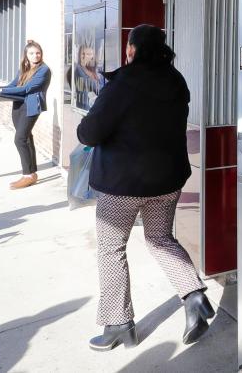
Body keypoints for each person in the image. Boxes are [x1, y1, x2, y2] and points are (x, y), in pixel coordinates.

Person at [77, 25, 214, 351]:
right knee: (160, 238)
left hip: (122, 186)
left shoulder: (121, 85)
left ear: (132, 50)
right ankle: (194, 297)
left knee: (111, 249)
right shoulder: (176, 80)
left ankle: (118, 323)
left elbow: (88, 133)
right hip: (166, 182)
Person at [0, 41, 52, 189]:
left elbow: (26, 89)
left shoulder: (44, 70)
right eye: (32, 53)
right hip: (18, 105)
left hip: (32, 107)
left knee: (19, 139)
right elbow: (12, 86)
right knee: (27, 137)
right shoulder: (23, 69)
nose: (35, 55)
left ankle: (27, 175)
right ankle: (33, 173)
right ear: (26, 55)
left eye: (38, 52)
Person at [74, 43, 105, 109]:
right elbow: (93, 86)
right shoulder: (79, 69)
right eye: (83, 54)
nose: (84, 56)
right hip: (86, 107)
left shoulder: (96, 69)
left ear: (93, 56)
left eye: (88, 54)